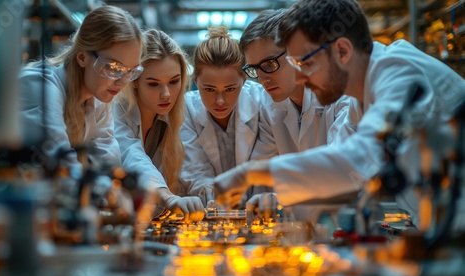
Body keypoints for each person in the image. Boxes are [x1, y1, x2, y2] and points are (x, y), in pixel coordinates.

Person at [214, 0, 465, 230]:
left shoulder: (399, 71)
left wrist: (250, 172)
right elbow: (347, 170)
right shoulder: (361, 99)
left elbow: (358, 157)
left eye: (305, 63)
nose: (300, 77)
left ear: (342, 51)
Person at [238, 9, 362, 221]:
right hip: (307, 224)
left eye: (269, 64)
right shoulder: (270, 105)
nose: (262, 79)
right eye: (254, 69)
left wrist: (284, 197)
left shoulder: (341, 93)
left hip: (351, 219)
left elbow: (337, 164)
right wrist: (260, 197)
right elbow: (262, 170)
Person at [18, 5, 143, 172]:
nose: (122, 82)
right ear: (83, 57)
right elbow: (63, 165)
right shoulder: (40, 87)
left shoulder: (99, 98)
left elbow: (108, 164)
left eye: (131, 71)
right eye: (114, 68)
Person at [114, 29, 204, 223]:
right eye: (154, 84)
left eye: (174, 82)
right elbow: (132, 155)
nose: (166, 94)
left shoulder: (172, 118)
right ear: (135, 81)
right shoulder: (116, 110)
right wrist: (168, 197)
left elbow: (194, 167)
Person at [180, 26, 268, 214]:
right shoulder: (186, 107)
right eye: (209, 89)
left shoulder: (263, 101)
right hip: (211, 211)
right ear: (195, 79)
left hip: (261, 210)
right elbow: (196, 170)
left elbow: (264, 163)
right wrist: (218, 200)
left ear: (244, 79)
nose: (220, 101)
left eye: (230, 89)